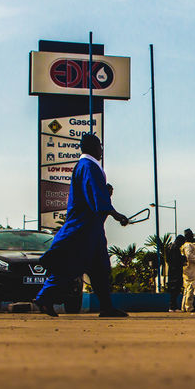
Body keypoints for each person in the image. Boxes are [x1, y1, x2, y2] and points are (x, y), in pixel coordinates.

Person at [34, 133, 129, 318]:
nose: (101, 149)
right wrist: (116, 214)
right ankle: (44, 297)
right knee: (70, 266)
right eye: (100, 146)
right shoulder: (89, 166)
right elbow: (95, 197)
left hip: (91, 229)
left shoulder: (85, 166)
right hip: (84, 229)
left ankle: (106, 307)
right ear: (93, 147)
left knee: (100, 269)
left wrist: (105, 195)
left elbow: (94, 194)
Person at [180, 228, 195, 312]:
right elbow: (189, 256)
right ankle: (189, 307)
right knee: (190, 288)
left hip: (189, 269)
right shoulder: (188, 245)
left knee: (187, 289)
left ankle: (184, 307)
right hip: (191, 270)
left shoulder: (184, 245)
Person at [166, 234, 185, 311]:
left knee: (174, 289)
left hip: (172, 270)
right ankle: (173, 306)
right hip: (176, 271)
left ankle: (173, 306)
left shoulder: (170, 247)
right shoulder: (175, 248)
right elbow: (176, 260)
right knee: (176, 288)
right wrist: (183, 259)